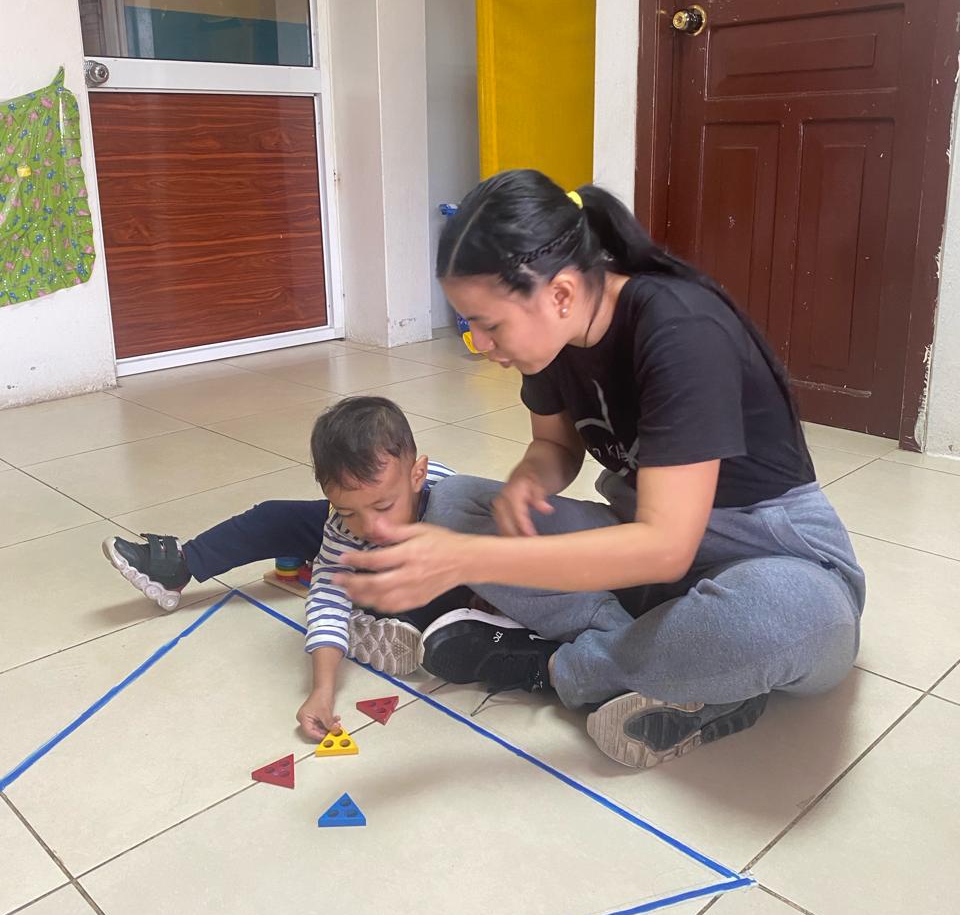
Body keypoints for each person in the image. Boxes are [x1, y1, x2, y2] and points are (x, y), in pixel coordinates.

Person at [335, 171, 867, 770]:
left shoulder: (681, 329)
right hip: (640, 549)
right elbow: (555, 446)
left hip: (765, 557)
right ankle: (660, 655)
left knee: (790, 620)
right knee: (456, 502)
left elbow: (666, 548)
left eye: (490, 324)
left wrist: (465, 561)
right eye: (468, 324)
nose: (479, 344)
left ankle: (557, 664)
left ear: (561, 294)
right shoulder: (551, 340)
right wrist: (529, 480)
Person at [102, 396, 468, 740]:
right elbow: (328, 592)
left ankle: (396, 621)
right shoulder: (344, 525)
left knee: (437, 593)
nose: (371, 526)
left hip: (446, 572)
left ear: (417, 475)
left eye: (384, 507)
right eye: (347, 511)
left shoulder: (455, 501)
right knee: (274, 517)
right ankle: (180, 566)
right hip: (369, 563)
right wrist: (322, 689)